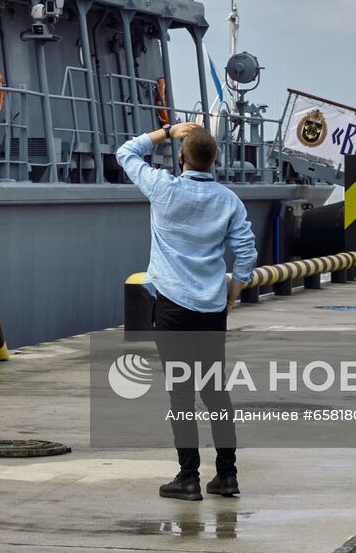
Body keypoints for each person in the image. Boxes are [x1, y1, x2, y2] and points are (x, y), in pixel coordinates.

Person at [116, 122, 256, 501]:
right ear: (214, 161)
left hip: (173, 307)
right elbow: (246, 254)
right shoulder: (229, 201)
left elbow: (125, 153)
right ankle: (227, 477)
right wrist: (233, 290)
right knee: (215, 393)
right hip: (212, 309)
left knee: (180, 394)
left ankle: (188, 477)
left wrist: (166, 131)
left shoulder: (163, 188)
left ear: (181, 158)